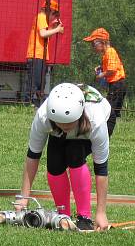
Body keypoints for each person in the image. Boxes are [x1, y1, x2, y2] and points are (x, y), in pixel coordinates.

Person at [15, 82, 112, 232]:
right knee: (54, 163)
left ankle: (84, 217)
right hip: (65, 123)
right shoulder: (43, 116)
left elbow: (101, 168)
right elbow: (33, 155)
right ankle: (63, 215)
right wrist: (23, 198)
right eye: (60, 123)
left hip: (98, 121)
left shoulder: (96, 120)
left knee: (75, 153)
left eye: (68, 123)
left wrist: (101, 213)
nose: (65, 127)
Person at [82, 28, 126, 136]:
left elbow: (112, 70)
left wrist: (101, 75)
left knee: (110, 112)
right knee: (109, 110)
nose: (92, 47)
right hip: (115, 85)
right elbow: (110, 65)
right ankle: (104, 133)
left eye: (93, 43)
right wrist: (101, 67)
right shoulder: (107, 53)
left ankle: (106, 135)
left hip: (117, 85)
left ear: (102, 42)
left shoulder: (110, 52)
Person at [24, 0, 63, 104]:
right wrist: (57, 29)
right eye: (54, 14)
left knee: (41, 82)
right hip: (36, 54)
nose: (53, 17)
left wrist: (53, 28)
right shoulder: (41, 17)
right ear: (49, 10)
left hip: (41, 55)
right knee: (34, 81)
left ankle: (36, 102)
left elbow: (45, 37)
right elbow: (43, 34)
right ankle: (29, 102)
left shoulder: (44, 20)